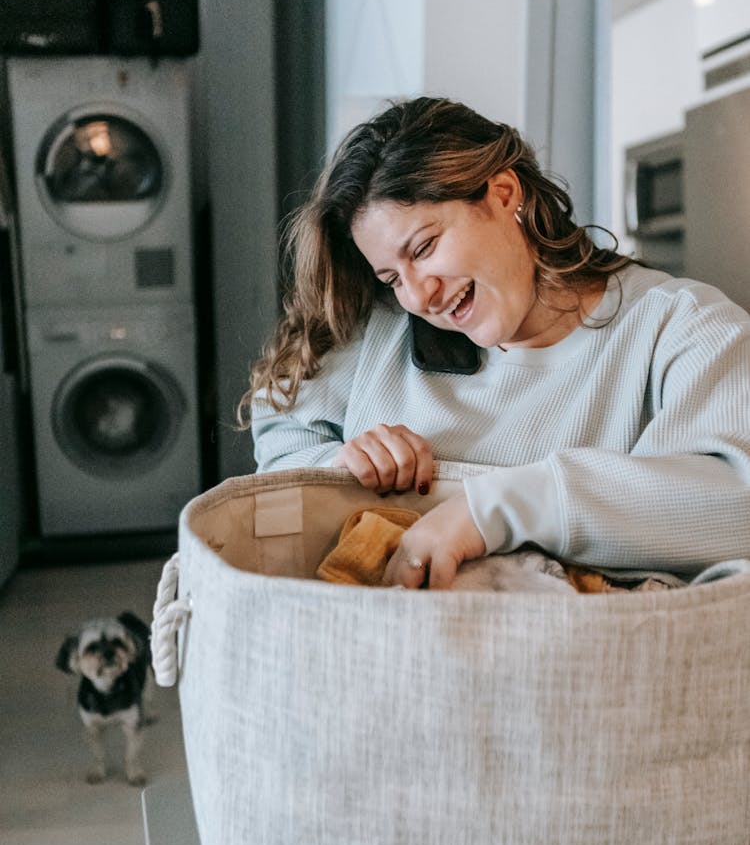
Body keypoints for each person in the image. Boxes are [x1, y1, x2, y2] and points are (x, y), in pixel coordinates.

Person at [240, 96, 750, 589]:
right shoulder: (382, 328)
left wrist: (491, 511)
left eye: (425, 247)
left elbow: (738, 505)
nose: (419, 296)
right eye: (392, 276)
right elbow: (279, 440)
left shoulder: (680, 327)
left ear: (504, 193)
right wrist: (340, 466)